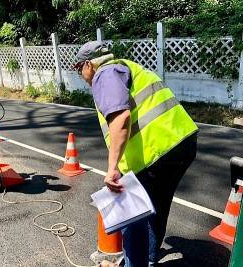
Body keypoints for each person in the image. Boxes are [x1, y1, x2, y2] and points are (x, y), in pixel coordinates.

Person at [75, 41, 198, 267]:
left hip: (158, 153)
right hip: (181, 143)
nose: (80, 74)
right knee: (154, 208)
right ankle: (147, 261)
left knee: (132, 216)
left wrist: (112, 169)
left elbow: (121, 119)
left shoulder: (105, 74)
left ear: (89, 65)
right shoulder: (126, 67)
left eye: (78, 68)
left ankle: (137, 263)